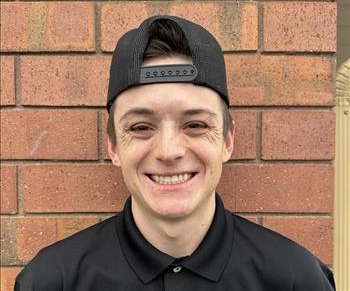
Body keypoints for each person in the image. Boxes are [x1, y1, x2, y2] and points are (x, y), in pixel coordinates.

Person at [15, 15, 336, 291]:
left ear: (227, 140)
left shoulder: (296, 279)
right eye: (141, 127)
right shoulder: (51, 281)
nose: (169, 152)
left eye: (195, 125)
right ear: (113, 146)